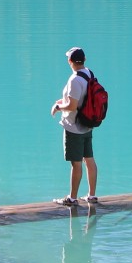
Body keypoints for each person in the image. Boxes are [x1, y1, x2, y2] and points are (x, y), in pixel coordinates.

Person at [50, 46, 99, 206]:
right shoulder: (89, 73)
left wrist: (58, 107)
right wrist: (63, 101)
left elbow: (71, 106)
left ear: (70, 61)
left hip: (74, 127)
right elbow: (81, 100)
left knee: (76, 163)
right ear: (84, 60)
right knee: (89, 159)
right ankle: (91, 195)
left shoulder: (74, 80)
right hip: (87, 124)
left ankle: (72, 198)